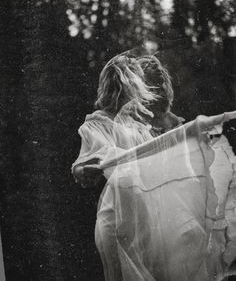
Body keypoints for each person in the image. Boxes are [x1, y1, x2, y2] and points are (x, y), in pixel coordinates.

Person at [72, 53, 236, 281]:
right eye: (137, 84)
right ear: (123, 85)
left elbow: (163, 149)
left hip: (147, 221)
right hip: (120, 221)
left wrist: (190, 133)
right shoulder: (98, 123)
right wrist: (87, 169)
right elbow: (84, 166)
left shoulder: (141, 126)